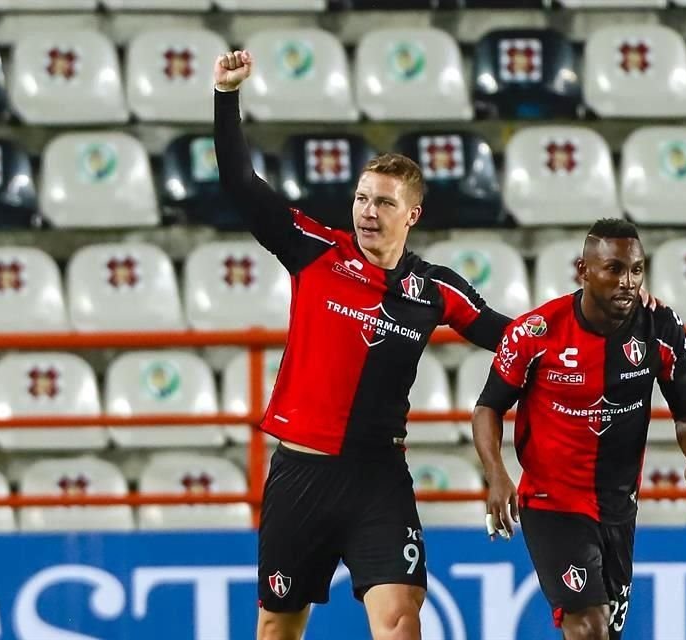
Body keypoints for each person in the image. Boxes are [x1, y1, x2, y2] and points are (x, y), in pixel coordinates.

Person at [212, 50, 513, 640]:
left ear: (413, 214)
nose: (367, 213)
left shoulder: (435, 288)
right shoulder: (314, 250)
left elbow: (513, 338)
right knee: (277, 626)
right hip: (302, 472)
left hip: (378, 477)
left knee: (401, 621)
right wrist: (226, 97)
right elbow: (241, 185)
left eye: (383, 203)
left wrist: (598, 317)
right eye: (361, 199)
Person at [471, 218, 686, 640]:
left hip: (619, 506)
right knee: (588, 627)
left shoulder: (661, 328)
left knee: (606, 632)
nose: (628, 282)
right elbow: (488, 407)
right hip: (553, 503)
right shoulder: (537, 333)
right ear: (584, 271)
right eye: (615, 269)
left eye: (637, 270)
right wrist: (496, 474)